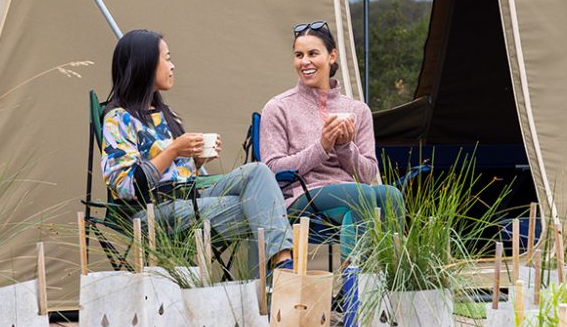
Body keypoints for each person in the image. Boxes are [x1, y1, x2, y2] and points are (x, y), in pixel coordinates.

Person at [101, 29, 293, 272]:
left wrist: (197, 161)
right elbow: (127, 187)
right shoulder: (119, 118)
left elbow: (177, 174)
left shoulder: (164, 113)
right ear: (145, 64)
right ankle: (271, 286)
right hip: (154, 212)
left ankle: (282, 264)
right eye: (167, 58)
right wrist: (173, 150)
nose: (173, 66)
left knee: (257, 172)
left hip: (189, 198)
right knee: (259, 207)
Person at [260, 20, 403, 262]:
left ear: (332, 56)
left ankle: (391, 280)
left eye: (313, 53)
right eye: (298, 55)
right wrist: (322, 147)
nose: (304, 61)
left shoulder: (358, 110)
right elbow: (272, 170)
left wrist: (346, 147)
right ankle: (353, 288)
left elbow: (367, 174)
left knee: (391, 195)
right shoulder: (278, 107)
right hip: (300, 195)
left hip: (350, 192)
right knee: (362, 196)